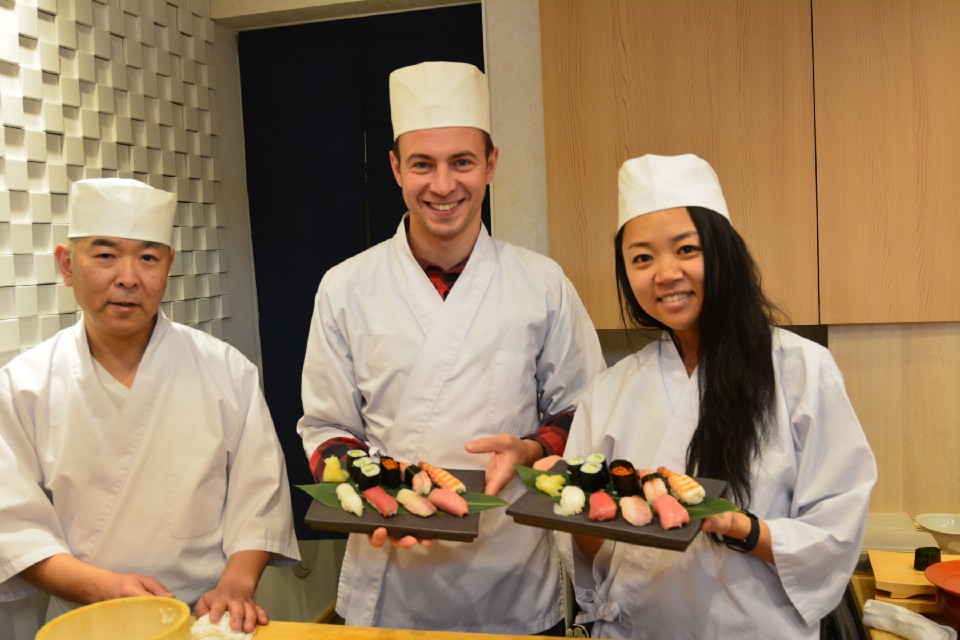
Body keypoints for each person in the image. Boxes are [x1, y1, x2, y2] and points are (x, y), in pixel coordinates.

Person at [297, 61, 605, 635]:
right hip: (390, 566)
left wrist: (532, 447)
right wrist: (374, 492)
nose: (443, 185)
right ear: (395, 169)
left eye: (461, 161)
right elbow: (326, 428)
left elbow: (583, 410)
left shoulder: (542, 284)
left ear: (490, 164)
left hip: (511, 572)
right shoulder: (345, 287)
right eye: (422, 164)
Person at [550, 154, 877, 639]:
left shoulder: (802, 371)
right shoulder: (612, 389)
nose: (665, 273)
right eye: (642, 257)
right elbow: (583, 544)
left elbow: (836, 525)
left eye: (686, 249)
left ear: (723, 252)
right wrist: (576, 507)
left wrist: (744, 529)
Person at [0, 178, 300, 634]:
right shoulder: (23, 385)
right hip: (86, 621)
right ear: (67, 264)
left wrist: (237, 585)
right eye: (104, 255)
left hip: (208, 617)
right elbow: (15, 531)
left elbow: (259, 500)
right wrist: (102, 589)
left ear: (168, 266)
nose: (128, 276)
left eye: (148, 257)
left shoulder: (225, 370)